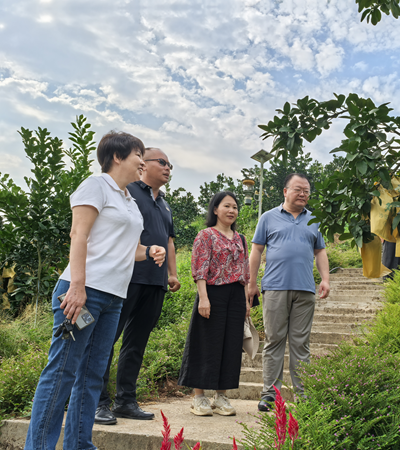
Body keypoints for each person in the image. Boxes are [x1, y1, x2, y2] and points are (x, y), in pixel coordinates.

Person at [24, 132, 166, 450]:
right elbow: (79, 234)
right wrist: (76, 287)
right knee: (62, 371)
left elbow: (125, 249)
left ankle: (79, 444)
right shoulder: (95, 185)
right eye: (137, 154)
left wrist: (150, 250)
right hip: (82, 295)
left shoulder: (128, 200)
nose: (142, 160)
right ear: (117, 157)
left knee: (91, 376)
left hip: (113, 300)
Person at [95, 147, 180, 425]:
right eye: (163, 162)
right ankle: (98, 402)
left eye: (171, 165)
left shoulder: (165, 203)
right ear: (143, 164)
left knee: (136, 343)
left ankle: (125, 401)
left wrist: (172, 273)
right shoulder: (127, 191)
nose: (168, 168)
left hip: (155, 283)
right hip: (126, 277)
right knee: (107, 339)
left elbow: (168, 240)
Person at [248, 173, 330, 412]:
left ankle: (303, 395)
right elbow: (256, 252)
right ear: (285, 191)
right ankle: (269, 395)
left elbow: (320, 252)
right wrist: (251, 283)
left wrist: (325, 279)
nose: (303, 194)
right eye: (298, 189)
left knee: (300, 344)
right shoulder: (268, 218)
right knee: (274, 341)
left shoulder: (315, 219)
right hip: (274, 287)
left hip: (305, 289)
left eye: (307, 190)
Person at [178, 191, 251, 417]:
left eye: (235, 207)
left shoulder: (240, 238)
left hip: (236, 295)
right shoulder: (206, 235)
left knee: (230, 346)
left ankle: (221, 396)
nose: (231, 211)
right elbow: (200, 268)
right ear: (215, 210)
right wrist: (203, 297)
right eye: (226, 206)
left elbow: (245, 271)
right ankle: (198, 396)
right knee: (205, 342)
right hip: (212, 292)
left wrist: (247, 299)